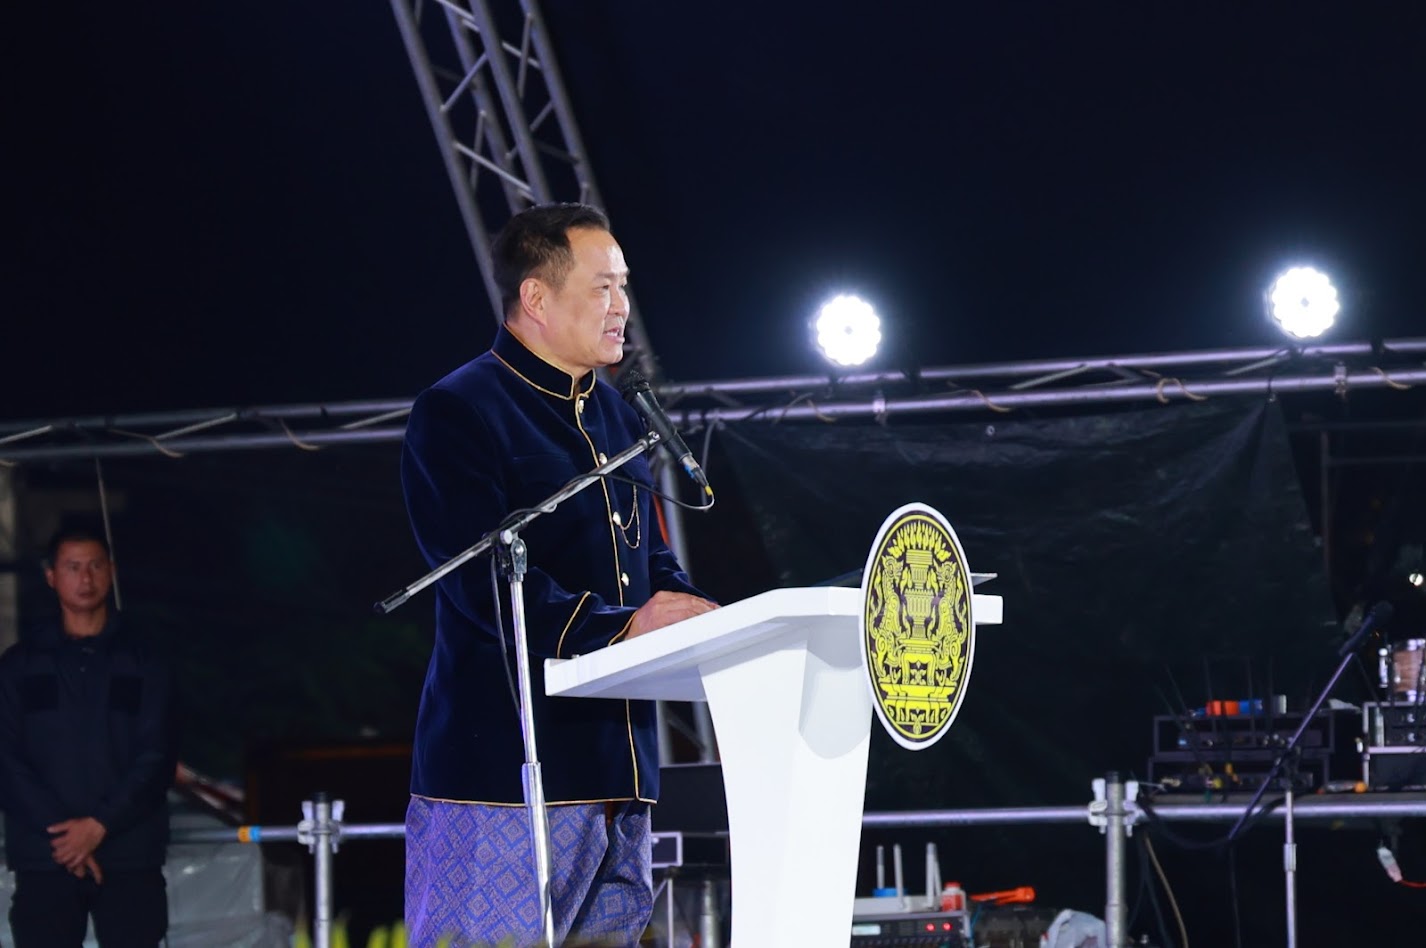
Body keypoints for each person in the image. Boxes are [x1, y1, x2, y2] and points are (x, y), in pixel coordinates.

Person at [401, 202, 718, 946]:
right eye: (603, 288)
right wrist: (621, 628)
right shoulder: (459, 411)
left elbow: (651, 562)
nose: (622, 308)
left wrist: (692, 615)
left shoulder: (618, 416)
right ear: (536, 298)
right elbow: (477, 578)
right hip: (503, 776)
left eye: (624, 287)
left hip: (621, 774)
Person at [0, 525, 178, 948]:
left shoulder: (144, 661)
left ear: (111, 572)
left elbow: (156, 756)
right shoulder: (19, 665)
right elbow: (5, 756)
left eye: (95, 566)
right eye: (73, 567)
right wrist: (67, 839)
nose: (86, 578)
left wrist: (100, 825)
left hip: (129, 853)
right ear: (51, 577)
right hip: (45, 856)